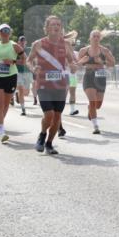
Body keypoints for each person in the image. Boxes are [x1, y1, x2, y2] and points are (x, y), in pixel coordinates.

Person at [28, 16, 77, 154]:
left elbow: (72, 62)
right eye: (53, 24)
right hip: (43, 84)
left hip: (61, 85)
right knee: (48, 114)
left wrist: (73, 66)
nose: (56, 26)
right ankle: (42, 134)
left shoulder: (66, 44)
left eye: (59, 24)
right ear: (47, 27)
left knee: (57, 117)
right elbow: (28, 60)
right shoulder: (38, 44)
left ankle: (49, 144)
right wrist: (33, 68)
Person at [76, 29, 116, 134]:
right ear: (90, 38)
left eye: (98, 36)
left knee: (98, 105)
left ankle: (90, 109)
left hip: (100, 76)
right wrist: (81, 62)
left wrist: (102, 61)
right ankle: (96, 126)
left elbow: (112, 63)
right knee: (92, 101)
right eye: (94, 36)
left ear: (100, 38)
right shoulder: (83, 51)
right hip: (88, 75)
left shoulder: (104, 51)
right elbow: (75, 65)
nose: (96, 38)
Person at [0, 24, 24, 142]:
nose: (5, 32)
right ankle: (1, 130)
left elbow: (23, 61)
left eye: (7, 30)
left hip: (11, 77)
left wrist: (12, 61)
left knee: (6, 105)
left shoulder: (15, 46)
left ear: (10, 33)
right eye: (3, 30)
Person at [15, 36, 32, 116]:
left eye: (24, 41)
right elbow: (13, 60)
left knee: (26, 92)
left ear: (26, 42)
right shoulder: (16, 50)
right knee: (21, 89)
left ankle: (17, 93)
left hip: (28, 73)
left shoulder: (29, 50)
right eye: (21, 41)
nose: (22, 42)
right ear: (18, 42)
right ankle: (23, 109)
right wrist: (20, 61)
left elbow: (32, 59)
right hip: (18, 72)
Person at [67, 44, 80, 116]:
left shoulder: (76, 53)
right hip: (64, 75)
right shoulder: (62, 52)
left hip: (72, 76)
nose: (72, 46)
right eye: (71, 44)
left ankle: (72, 110)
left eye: (73, 44)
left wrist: (76, 67)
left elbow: (79, 63)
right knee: (62, 94)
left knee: (72, 92)